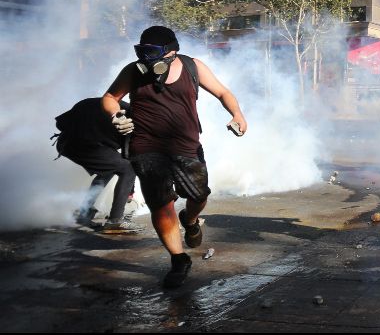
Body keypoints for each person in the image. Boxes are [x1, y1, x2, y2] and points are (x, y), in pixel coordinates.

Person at [102, 26, 247, 288]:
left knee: (199, 195)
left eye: (152, 53)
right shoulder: (134, 71)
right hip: (146, 148)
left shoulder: (193, 67)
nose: (146, 59)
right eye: (142, 52)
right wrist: (116, 116)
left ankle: (190, 220)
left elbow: (224, 93)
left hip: (186, 146)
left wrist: (237, 114)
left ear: (172, 51)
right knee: (161, 205)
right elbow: (111, 97)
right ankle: (178, 259)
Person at [53, 98, 145, 234]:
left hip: (69, 142)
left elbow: (62, 122)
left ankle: (84, 212)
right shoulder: (137, 121)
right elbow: (131, 157)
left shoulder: (120, 105)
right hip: (77, 144)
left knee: (109, 168)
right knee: (128, 169)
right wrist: (130, 191)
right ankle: (115, 221)